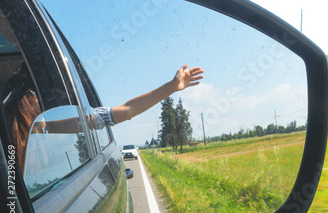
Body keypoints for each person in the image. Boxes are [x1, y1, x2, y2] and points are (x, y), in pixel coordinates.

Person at [6, 63, 204, 173]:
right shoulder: (42, 127)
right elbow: (126, 111)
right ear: (23, 107)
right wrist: (171, 87)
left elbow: (126, 111)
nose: (41, 99)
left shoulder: (43, 127)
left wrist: (171, 86)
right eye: (34, 93)